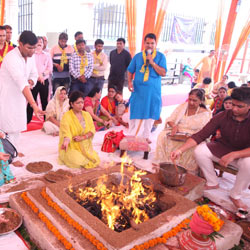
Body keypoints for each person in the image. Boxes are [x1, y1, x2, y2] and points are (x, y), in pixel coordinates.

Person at [171, 87, 250, 212]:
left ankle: (236, 195)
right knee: (200, 151)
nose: (234, 109)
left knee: (248, 163)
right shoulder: (223, 115)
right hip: (222, 148)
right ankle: (212, 182)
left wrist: (235, 154)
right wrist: (180, 150)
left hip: (245, 155)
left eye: (239, 106)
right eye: (233, 104)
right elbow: (201, 135)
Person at [0, 31, 44, 167]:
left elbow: (34, 74)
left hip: (20, 97)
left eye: (34, 47)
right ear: (20, 44)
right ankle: (7, 157)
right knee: (8, 128)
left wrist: (31, 80)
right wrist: (34, 105)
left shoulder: (30, 57)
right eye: (29, 48)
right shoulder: (11, 58)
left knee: (18, 126)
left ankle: (13, 151)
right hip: (8, 97)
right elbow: (21, 83)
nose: (32, 51)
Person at [155, 89, 211, 173]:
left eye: (194, 100)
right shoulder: (182, 107)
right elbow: (170, 119)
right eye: (190, 99)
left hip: (194, 135)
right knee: (162, 136)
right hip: (177, 131)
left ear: (201, 101)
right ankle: (165, 164)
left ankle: (185, 169)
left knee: (194, 145)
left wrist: (190, 135)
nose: (191, 103)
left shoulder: (206, 113)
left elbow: (205, 131)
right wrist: (174, 126)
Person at [128, 33, 167, 143]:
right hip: (138, 90)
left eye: (152, 43)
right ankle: (132, 135)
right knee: (135, 111)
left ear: (155, 44)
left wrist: (152, 63)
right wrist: (130, 82)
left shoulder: (160, 57)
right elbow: (130, 70)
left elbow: (163, 73)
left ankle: (145, 136)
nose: (149, 45)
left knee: (150, 113)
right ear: (144, 44)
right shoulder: (137, 56)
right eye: (147, 43)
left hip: (153, 92)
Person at [59, 91, 100, 169]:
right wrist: (66, 140)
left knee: (95, 159)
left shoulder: (87, 115)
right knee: (76, 161)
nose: (81, 105)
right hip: (72, 145)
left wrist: (83, 137)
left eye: (82, 102)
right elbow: (66, 131)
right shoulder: (67, 116)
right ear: (71, 104)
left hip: (85, 144)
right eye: (78, 103)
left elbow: (92, 130)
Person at [27, 36, 53, 123]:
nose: (39, 44)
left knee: (45, 100)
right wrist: (37, 76)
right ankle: (28, 120)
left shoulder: (47, 55)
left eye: (41, 42)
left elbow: (50, 68)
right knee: (31, 100)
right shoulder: (31, 55)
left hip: (44, 81)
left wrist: (42, 75)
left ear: (43, 44)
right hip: (33, 81)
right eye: (37, 42)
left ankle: (46, 120)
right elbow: (29, 68)